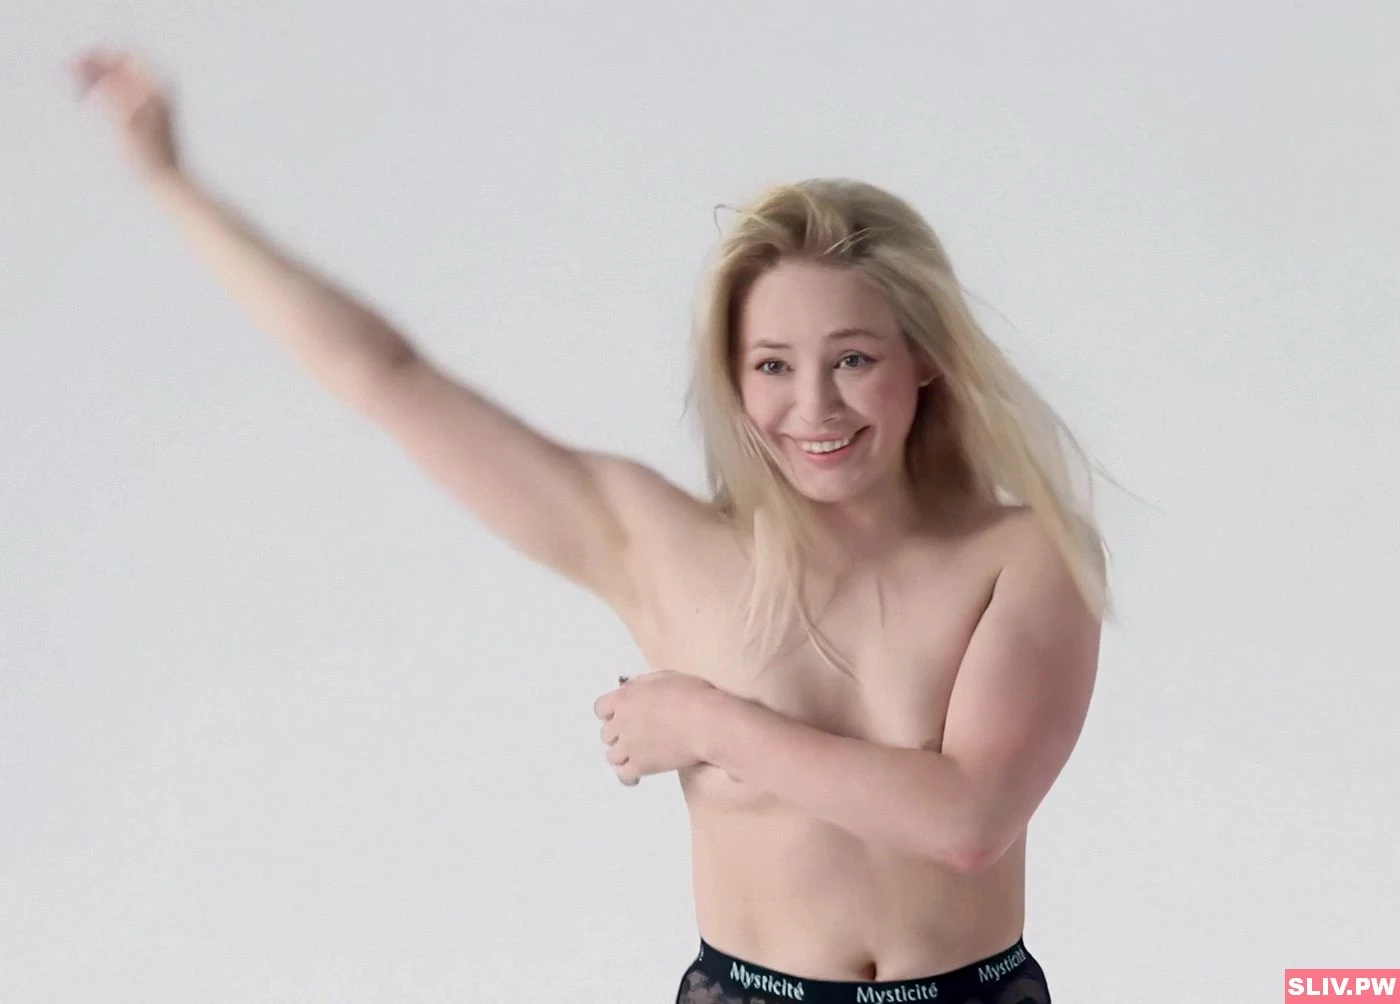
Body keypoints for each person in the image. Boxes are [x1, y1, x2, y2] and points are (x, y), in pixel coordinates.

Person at [74, 48, 1108, 1004]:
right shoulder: (658, 545)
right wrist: (172, 183)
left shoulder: (1021, 556)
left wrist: (708, 725)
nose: (813, 407)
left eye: (852, 358)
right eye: (772, 366)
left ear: (922, 357)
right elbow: (385, 376)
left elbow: (966, 821)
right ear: (733, 378)